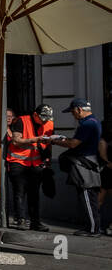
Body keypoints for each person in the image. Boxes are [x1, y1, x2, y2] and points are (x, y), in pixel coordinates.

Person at [45, 99, 103, 236]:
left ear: (79, 109)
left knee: (87, 196)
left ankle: (93, 229)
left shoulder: (87, 124)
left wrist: (54, 141)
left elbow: (73, 144)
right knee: (89, 197)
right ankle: (92, 227)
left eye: (73, 112)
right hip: (90, 162)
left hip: (84, 164)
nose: (73, 115)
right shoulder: (94, 122)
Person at [0, 104, 53, 231]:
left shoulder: (49, 123)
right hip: (18, 162)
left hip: (36, 163)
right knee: (20, 192)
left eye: (47, 118)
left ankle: (35, 222)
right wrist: (35, 139)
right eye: (42, 118)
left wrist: (47, 158)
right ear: (35, 115)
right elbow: (16, 141)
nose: (44, 121)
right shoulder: (22, 121)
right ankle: (21, 220)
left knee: (34, 194)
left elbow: (48, 144)